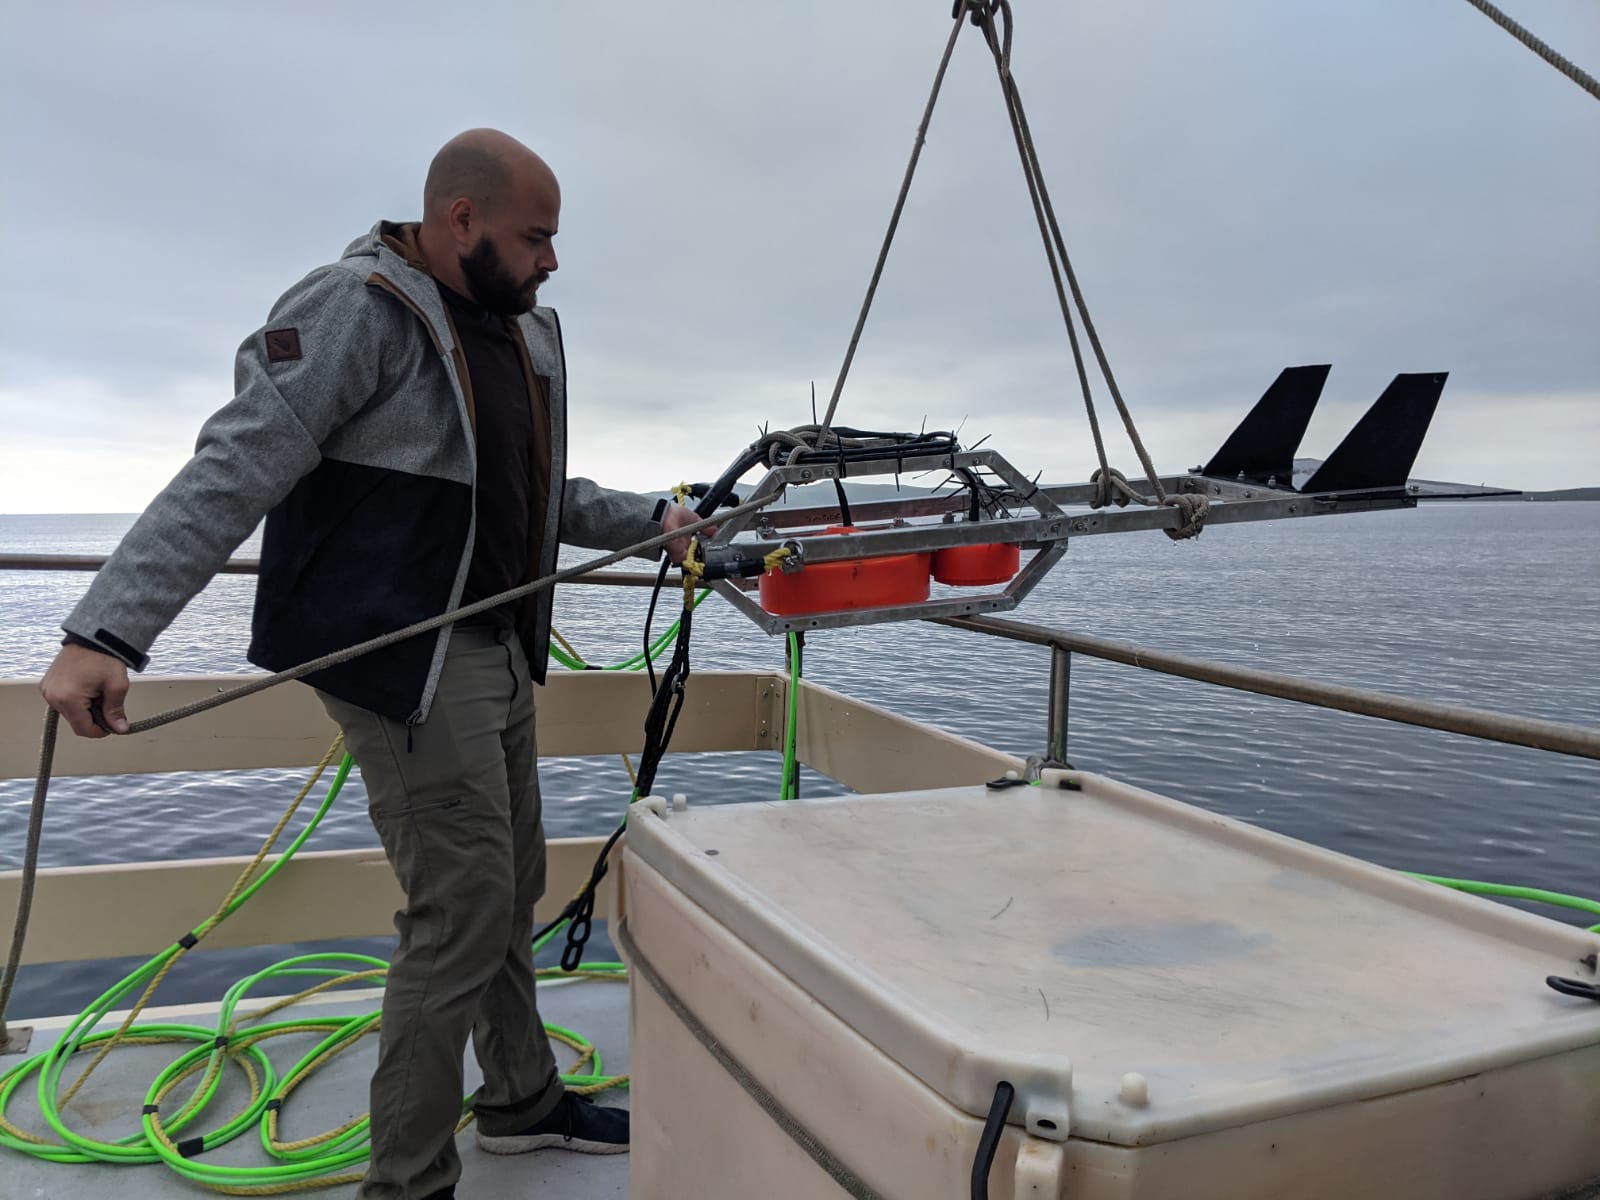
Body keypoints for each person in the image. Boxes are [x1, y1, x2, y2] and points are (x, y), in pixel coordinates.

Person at [39, 128, 700, 1200]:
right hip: (407, 669)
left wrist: (659, 519)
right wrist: (106, 630)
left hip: (497, 652)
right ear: (461, 221)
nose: (552, 261)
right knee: (462, 911)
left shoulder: (521, 340)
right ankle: (408, 1182)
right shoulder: (359, 309)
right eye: (537, 237)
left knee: (511, 884)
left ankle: (524, 1101)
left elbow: (544, 496)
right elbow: (237, 461)